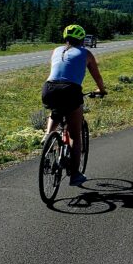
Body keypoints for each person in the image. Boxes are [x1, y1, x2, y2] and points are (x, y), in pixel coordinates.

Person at [41, 24, 107, 187]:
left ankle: (48, 136)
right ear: (82, 39)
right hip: (71, 90)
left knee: (55, 110)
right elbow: (97, 77)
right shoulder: (86, 53)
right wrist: (101, 90)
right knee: (75, 136)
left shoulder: (56, 50)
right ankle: (75, 175)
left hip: (49, 88)